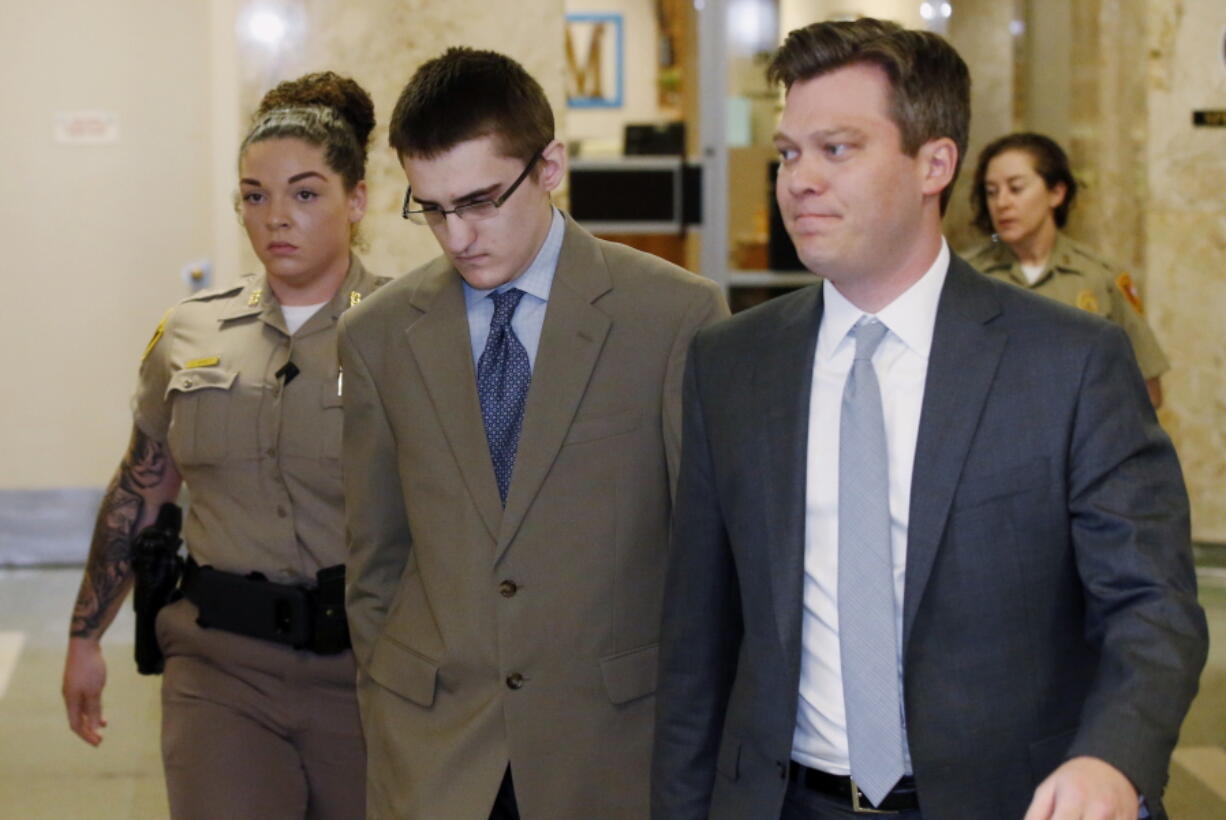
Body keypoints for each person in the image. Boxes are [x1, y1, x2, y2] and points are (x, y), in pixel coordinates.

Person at [652, 18, 1207, 820]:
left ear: (934, 163)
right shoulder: (732, 365)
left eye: (836, 149)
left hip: (1007, 800)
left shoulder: (1068, 362)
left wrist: (1112, 760)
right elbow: (697, 644)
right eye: (788, 152)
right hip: (784, 800)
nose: (798, 179)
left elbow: (1153, 607)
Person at [338, 46, 728, 819]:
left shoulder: (673, 316)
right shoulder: (379, 335)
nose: (457, 235)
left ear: (549, 166)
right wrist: (390, 688)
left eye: (481, 200)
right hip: (438, 748)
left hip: (610, 746)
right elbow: (376, 554)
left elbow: (707, 560)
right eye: (433, 208)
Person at [61, 71, 384, 819]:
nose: (277, 217)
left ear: (356, 200)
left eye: (306, 194)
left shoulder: (407, 332)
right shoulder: (190, 332)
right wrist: (86, 637)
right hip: (220, 669)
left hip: (372, 674)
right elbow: (140, 488)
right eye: (254, 195)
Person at [965, 132, 1169, 407]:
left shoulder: (1099, 276)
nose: (1002, 203)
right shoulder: (967, 276)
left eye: (1016, 188)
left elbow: (1147, 389)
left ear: (1056, 193)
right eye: (991, 192)